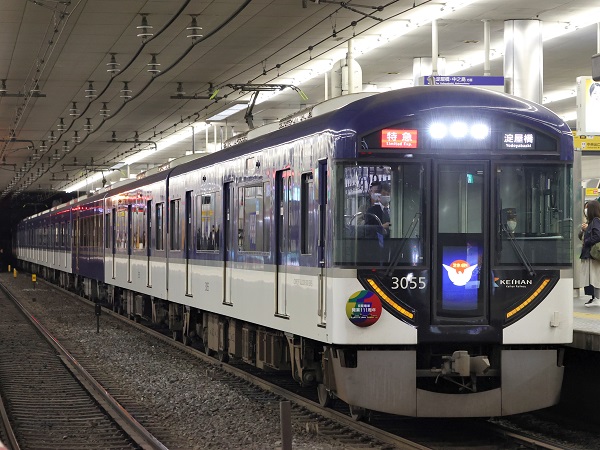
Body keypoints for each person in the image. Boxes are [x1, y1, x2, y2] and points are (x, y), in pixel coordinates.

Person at [579, 200, 600, 306]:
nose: (585, 210)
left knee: (595, 276)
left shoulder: (596, 221)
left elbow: (597, 236)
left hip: (593, 254)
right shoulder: (590, 222)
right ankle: (594, 298)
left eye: (587, 208)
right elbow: (580, 236)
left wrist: (587, 241)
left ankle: (597, 299)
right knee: (593, 276)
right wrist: (584, 230)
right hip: (590, 254)